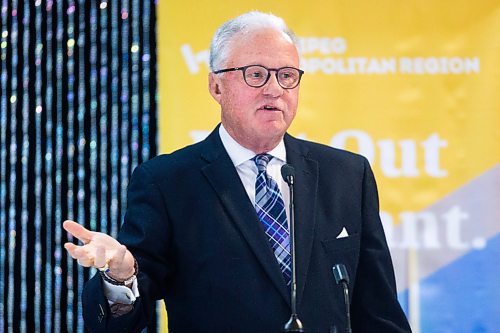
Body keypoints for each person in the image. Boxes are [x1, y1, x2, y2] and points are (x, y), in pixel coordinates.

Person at [64, 11, 412, 333]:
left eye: (287, 76)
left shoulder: (347, 175)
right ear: (216, 86)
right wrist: (121, 276)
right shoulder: (167, 182)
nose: (274, 89)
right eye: (256, 74)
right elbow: (121, 322)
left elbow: (378, 309)